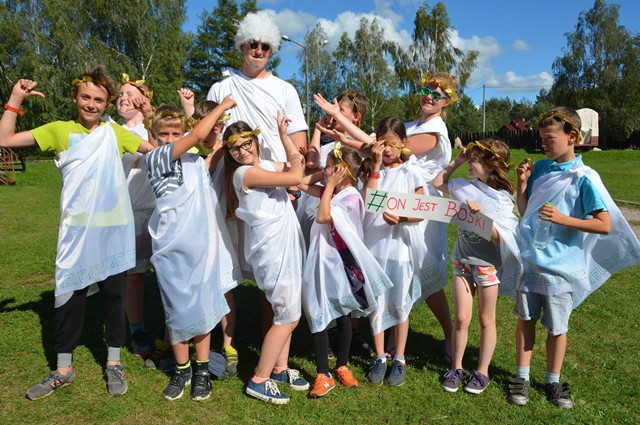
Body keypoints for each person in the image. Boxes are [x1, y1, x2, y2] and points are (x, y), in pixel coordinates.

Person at [0, 66, 153, 400]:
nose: (91, 104)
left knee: (115, 297)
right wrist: (15, 99)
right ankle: (64, 369)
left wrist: (152, 115)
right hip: (76, 231)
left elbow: (156, 151)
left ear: (107, 104)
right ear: (75, 98)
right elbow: (5, 140)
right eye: (86, 97)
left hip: (113, 230)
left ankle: (113, 362)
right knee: (69, 296)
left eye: (99, 100)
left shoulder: (114, 133)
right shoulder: (59, 130)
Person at [508, 107, 640, 409]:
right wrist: (523, 184)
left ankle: (553, 381)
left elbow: (604, 224)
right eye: (541, 138)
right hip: (531, 259)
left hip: (561, 267)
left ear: (572, 137)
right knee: (526, 319)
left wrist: (562, 219)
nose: (543, 144)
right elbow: (527, 211)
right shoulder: (541, 168)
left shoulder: (584, 178)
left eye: (549, 138)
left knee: (557, 327)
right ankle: (521, 377)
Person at [144, 97, 241, 402]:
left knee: (202, 308)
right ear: (153, 135)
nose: (170, 139)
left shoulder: (195, 162)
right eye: (163, 134)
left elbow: (205, 145)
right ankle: (181, 369)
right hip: (170, 248)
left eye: (176, 133)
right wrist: (222, 105)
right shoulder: (155, 158)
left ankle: (201, 370)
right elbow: (198, 134)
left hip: (199, 248)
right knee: (175, 310)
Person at [222, 116, 308, 405]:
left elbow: (299, 170)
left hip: (285, 246)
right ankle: (259, 380)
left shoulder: (266, 166)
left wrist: (328, 177)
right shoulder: (244, 173)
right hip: (271, 251)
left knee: (285, 308)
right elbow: (295, 175)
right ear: (229, 153)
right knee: (289, 316)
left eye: (247, 144)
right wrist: (288, 142)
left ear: (256, 141)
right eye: (235, 148)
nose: (242, 151)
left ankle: (280, 369)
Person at [298, 143, 391, 398]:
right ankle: (322, 373)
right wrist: (325, 177)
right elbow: (300, 183)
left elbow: (323, 217)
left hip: (342, 263)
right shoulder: (334, 191)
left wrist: (329, 184)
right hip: (322, 261)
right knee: (317, 311)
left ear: (342, 172)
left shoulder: (350, 197)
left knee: (344, 315)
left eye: (328, 166)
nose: (324, 170)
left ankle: (341, 365)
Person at [432, 139, 520, 394]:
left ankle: (482, 371)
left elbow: (501, 239)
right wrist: (456, 162)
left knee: (486, 319)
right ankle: (457, 367)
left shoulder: (502, 200)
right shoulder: (463, 186)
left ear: (491, 166)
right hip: (462, 261)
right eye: (469, 159)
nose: (469, 163)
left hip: (486, 266)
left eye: (474, 160)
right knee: (461, 318)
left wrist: (480, 217)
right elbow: (437, 183)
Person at [357, 117, 434, 387]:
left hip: (400, 247)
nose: (387, 149)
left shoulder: (411, 172)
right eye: (382, 143)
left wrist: (402, 218)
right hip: (374, 244)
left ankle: (399, 357)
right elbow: (366, 201)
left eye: (391, 143)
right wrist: (375, 166)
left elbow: (422, 209)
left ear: (404, 143)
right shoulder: (373, 170)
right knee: (376, 301)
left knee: (400, 302)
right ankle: (380, 355)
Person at [404, 73, 457, 361]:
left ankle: (450, 335)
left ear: (446, 101)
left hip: (423, 203)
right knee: (398, 264)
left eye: (437, 94)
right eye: (426, 90)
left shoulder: (435, 129)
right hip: (400, 196)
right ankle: (393, 335)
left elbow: (397, 149)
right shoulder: (412, 125)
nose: (429, 96)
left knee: (426, 270)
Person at [206, 10, 308, 161]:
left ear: (271, 50)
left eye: (265, 46)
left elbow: (299, 146)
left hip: (276, 173)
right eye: (253, 44)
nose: (259, 51)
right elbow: (206, 136)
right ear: (242, 46)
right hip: (228, 173)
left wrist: (290, 172)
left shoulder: (286, 90)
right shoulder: (219, 88)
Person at [116, 73, 156, 359]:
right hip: (126, 210)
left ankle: (174, 330)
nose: (123, 98)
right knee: (135, 274)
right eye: (120, 94)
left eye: (130, 93)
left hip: (157, 209)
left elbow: (162, 151)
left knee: (168, 273)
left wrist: (150, 116)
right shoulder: (110, 130)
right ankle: (137, 330)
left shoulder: (154, 127)